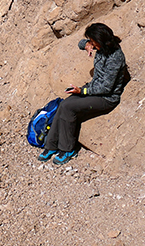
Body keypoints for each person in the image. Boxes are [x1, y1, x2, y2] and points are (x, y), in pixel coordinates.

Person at [39, 22, 129, 165]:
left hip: (106, 98)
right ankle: (51, 145)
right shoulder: (101, 47)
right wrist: (86, 44)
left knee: (69, 107)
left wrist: (82, 91)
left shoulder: (115, 57)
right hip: (94, 89)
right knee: (64, 104)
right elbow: (81, 44)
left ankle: (68, 149)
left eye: (93, 42)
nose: (92, 44)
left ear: (101, 41)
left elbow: (106, 87)